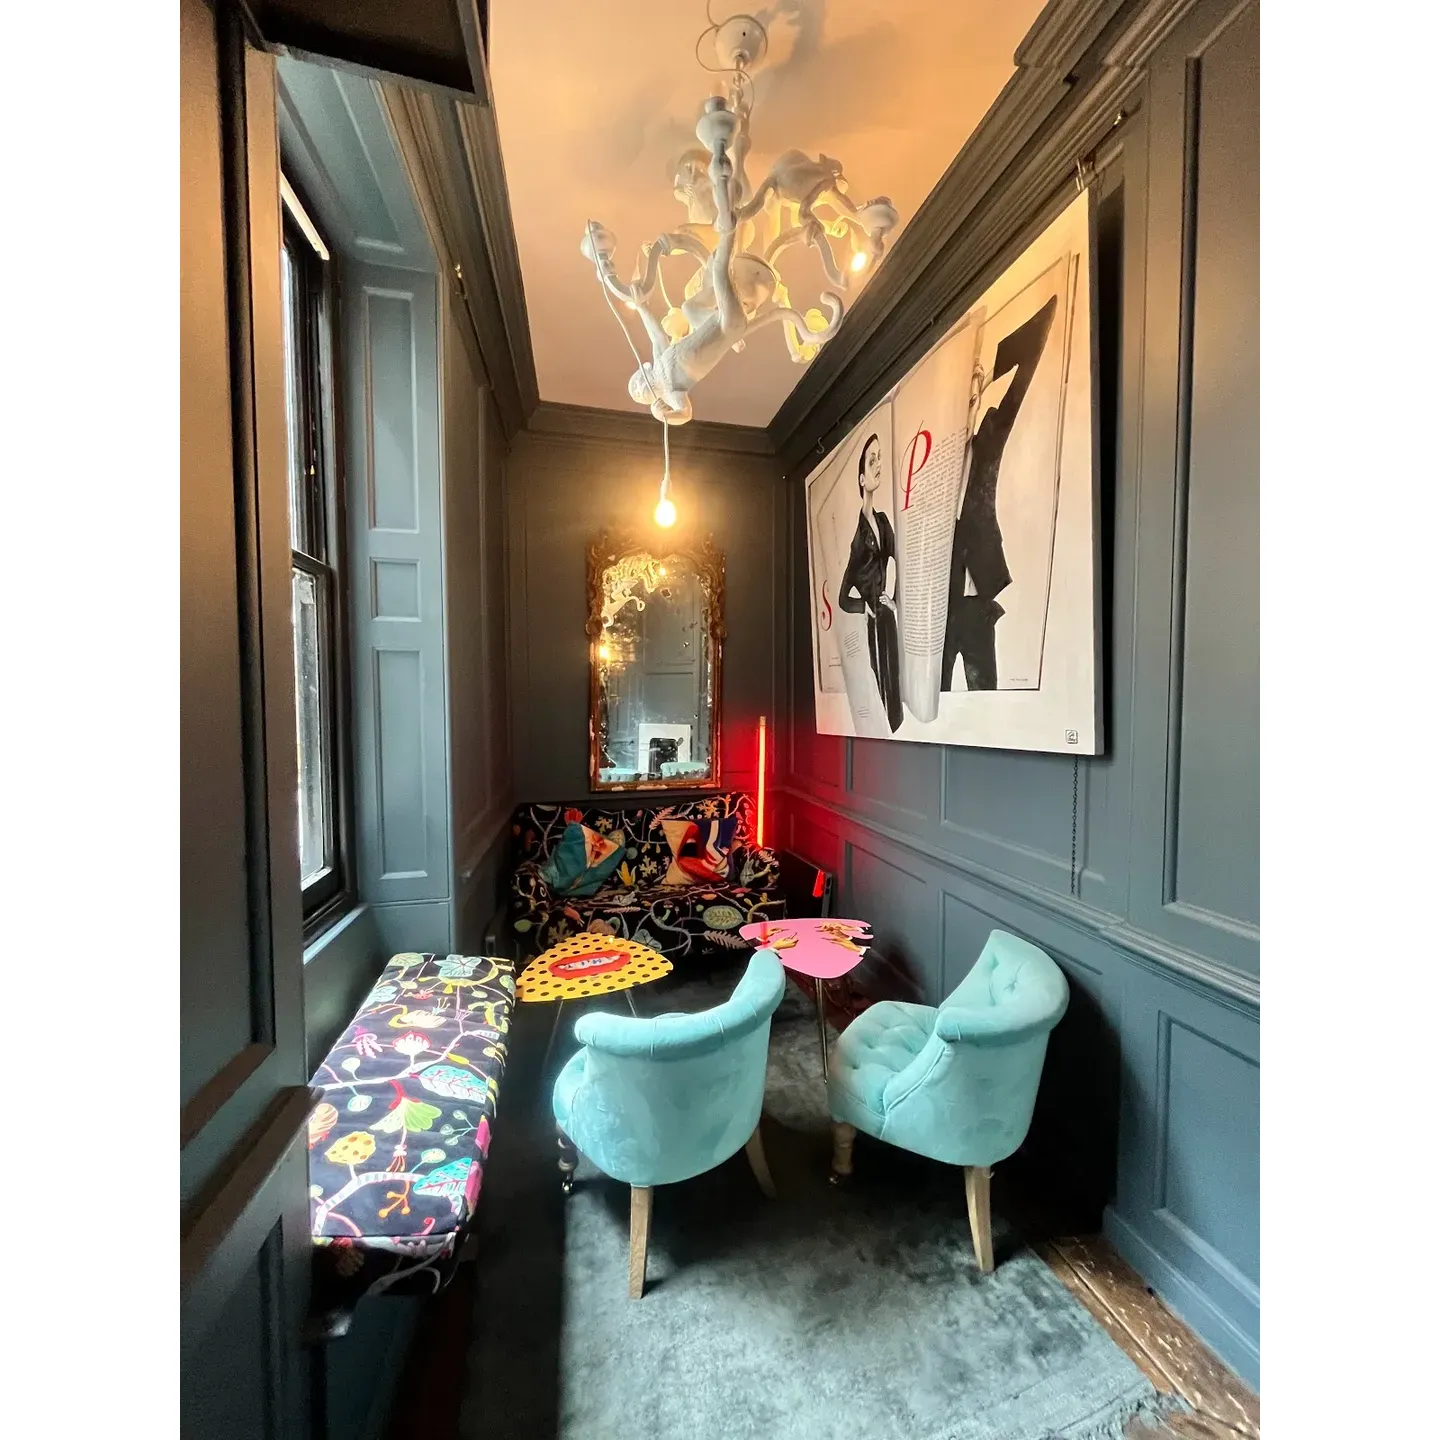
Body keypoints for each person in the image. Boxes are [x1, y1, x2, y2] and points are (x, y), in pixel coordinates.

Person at [941, 293, 1058, 692]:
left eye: (971, 396)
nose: (966, 404)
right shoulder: (930, 467)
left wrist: (988, 373)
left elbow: (1036, 342)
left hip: (977, 607)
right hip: (940, 611)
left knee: (985, 700)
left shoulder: (989, 438)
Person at [838, 433, 903, 731]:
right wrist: (863, 606)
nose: (878, 466)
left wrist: (895, 599)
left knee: (895, 679)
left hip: (887, 616)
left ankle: (898, 732)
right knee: (880, 683)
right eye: (872, 461)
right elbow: (842, 597)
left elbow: (900, 559)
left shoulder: (884, 522)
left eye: (880, 459)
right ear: (862, 479)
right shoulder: (857, 541)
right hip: (871, 622)